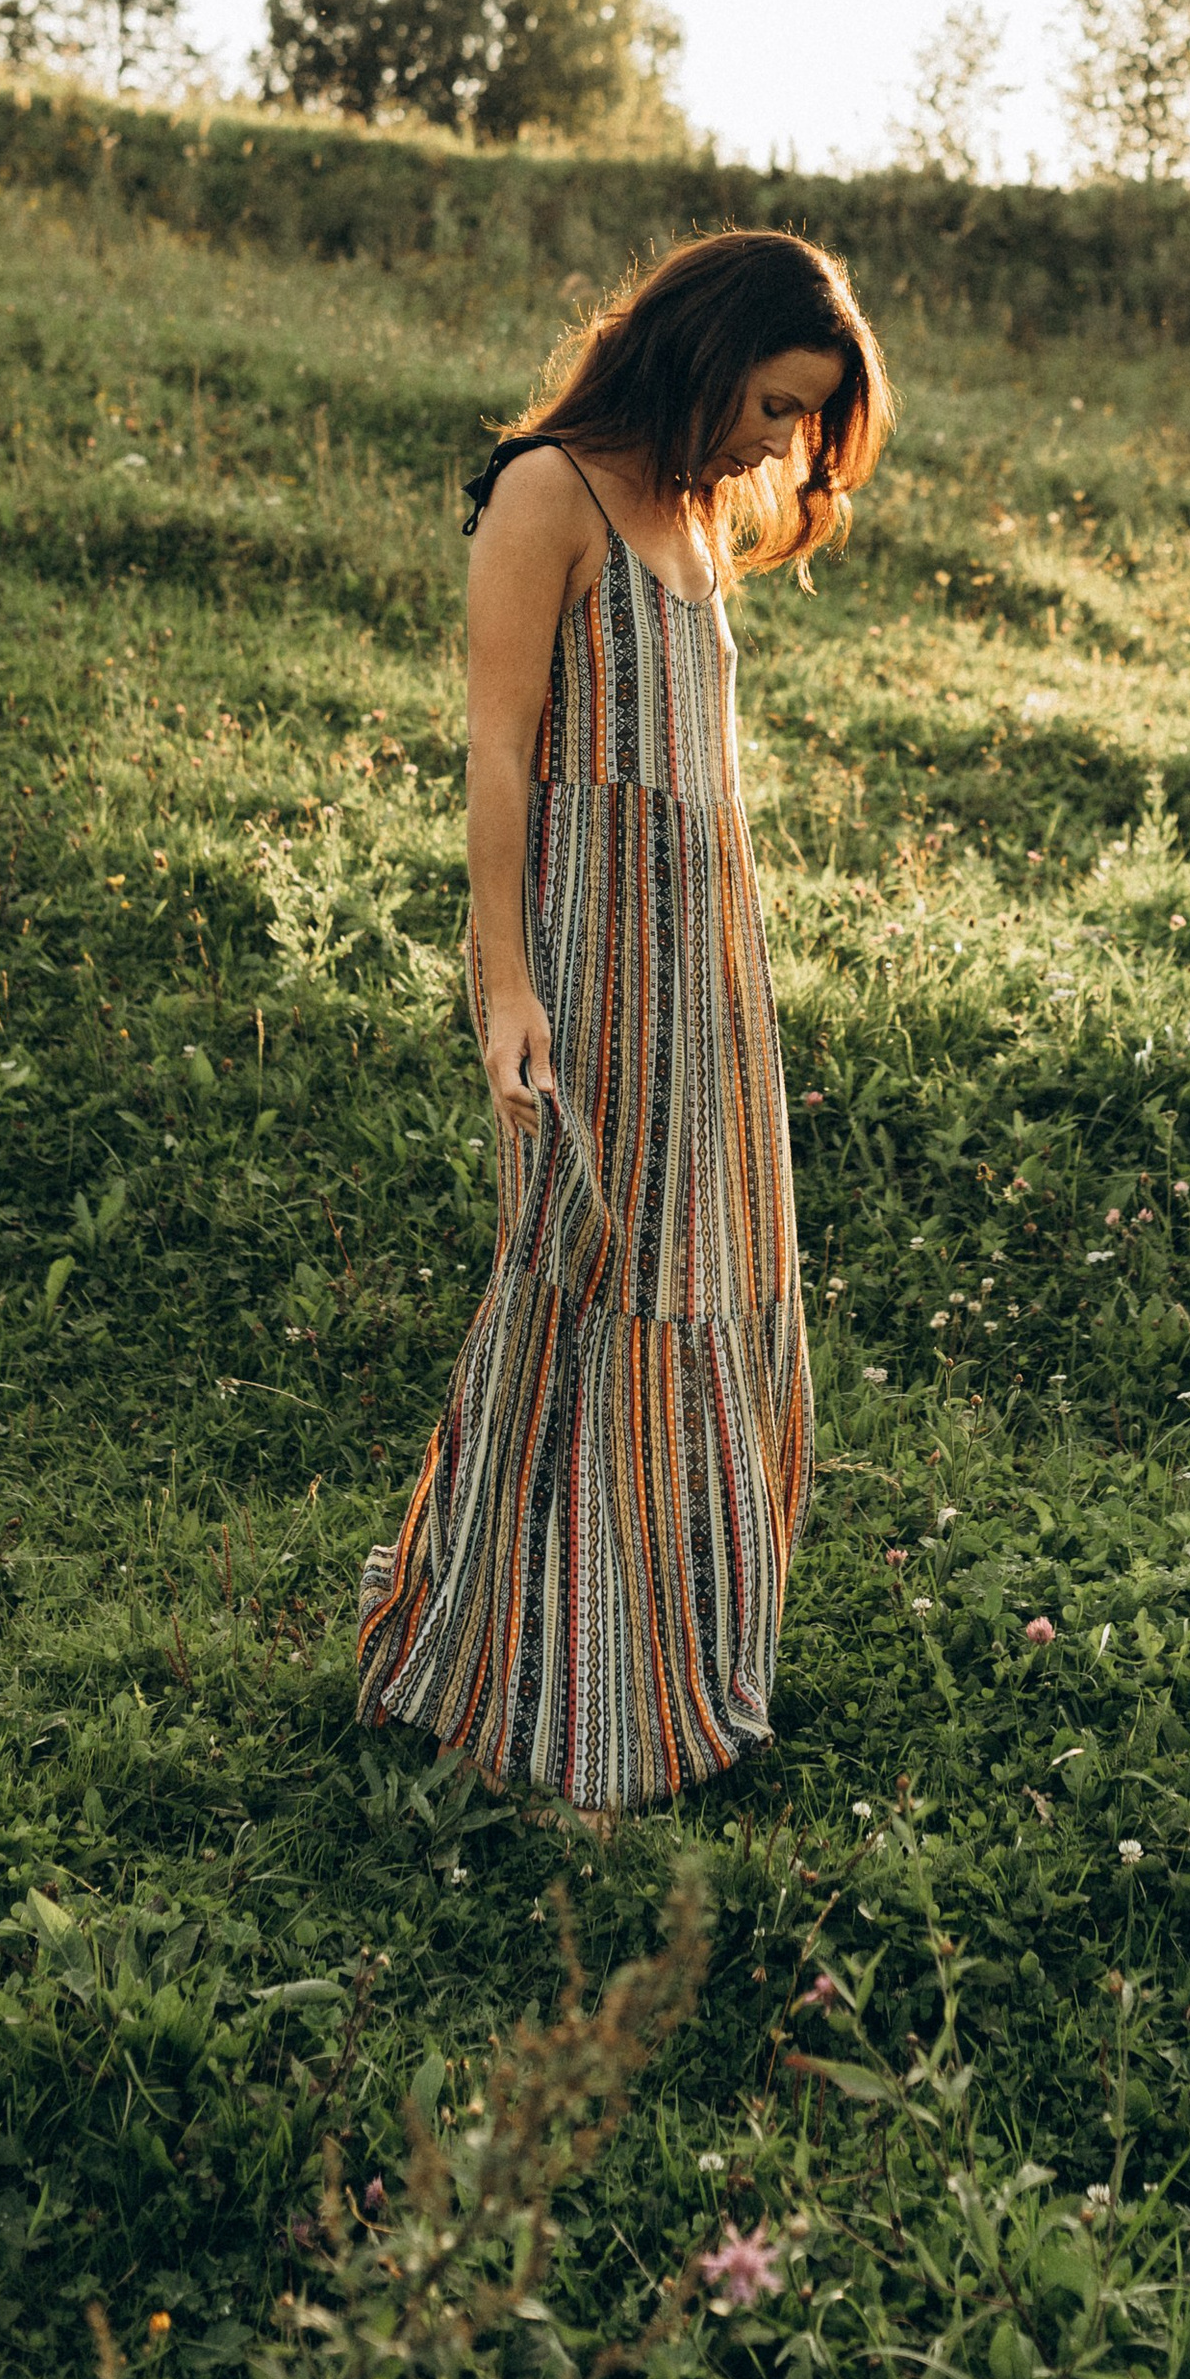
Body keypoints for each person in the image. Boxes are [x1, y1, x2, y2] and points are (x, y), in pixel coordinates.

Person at [354, 228, 893, 1815]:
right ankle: (540, 1680)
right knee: (598, 1282)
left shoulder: (695, 516)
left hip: (706, 966)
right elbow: (504, 758)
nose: (784, 446)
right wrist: (504, 984)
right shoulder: (552, 492)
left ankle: (670, 1666)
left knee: (713, 1279)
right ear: (703, 348)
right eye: (778, 405)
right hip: (590, 962)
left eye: (808, 423)